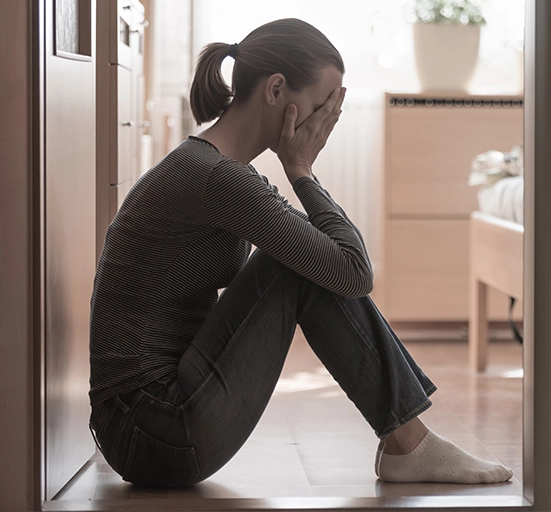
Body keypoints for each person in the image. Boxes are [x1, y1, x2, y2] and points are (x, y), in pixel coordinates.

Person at [89, 18, 513, 489]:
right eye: (318, 106)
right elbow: (353, 272)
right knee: (295, 264)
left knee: (304, 258)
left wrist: (300, 171)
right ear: (275, 91)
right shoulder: (215, 177)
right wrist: (301, 169)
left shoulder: (216, 169)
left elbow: (340, 266)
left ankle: (408, 441)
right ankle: (410, 443)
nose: (322, 122)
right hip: (151, 431)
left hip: (147, 428)